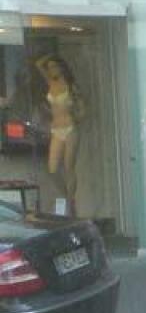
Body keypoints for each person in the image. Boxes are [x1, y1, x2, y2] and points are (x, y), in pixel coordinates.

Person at [36, 55, 85, 211]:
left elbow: (83, 108)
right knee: (52, 168)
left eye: (54, 67)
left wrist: (77, 117)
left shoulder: (71, 86)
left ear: (62, 67)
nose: (51, 70)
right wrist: (50, 56)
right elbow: (38, 64)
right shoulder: (51, 83)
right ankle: (67, 197)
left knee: (69, 166)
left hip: (70, 128)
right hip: (56, 129)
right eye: (49, 68)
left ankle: (71, 202)